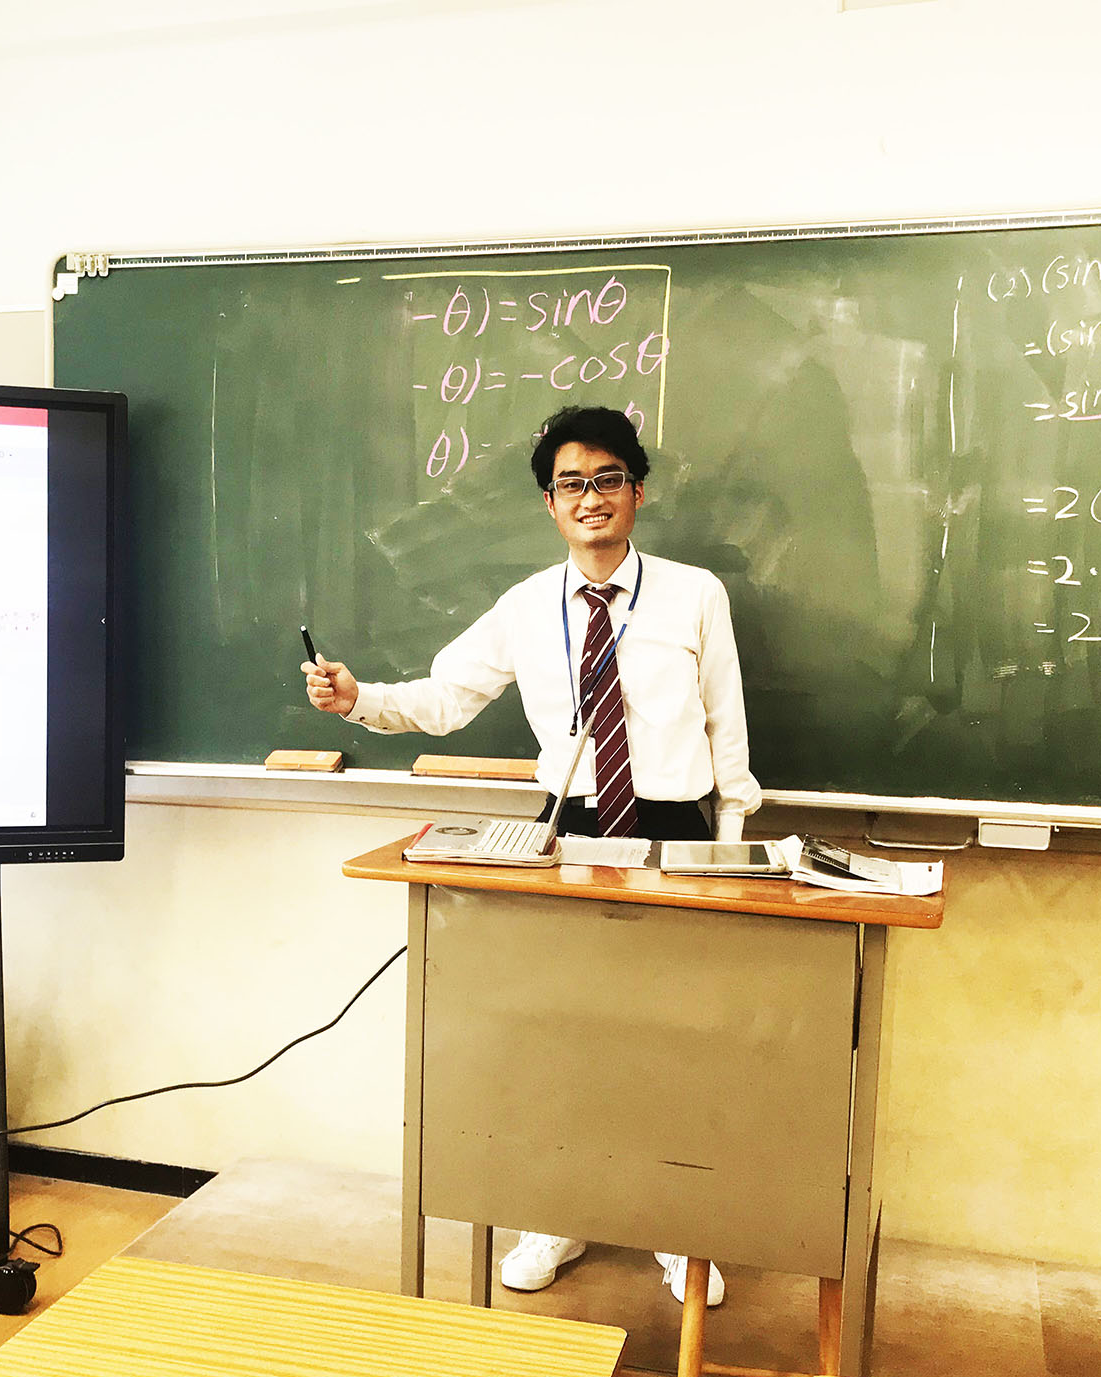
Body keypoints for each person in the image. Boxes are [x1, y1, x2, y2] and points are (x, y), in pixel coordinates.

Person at [303, 404, 762, 1306]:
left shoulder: (695, 594)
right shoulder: (525, 607)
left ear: (638, 491)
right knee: (568, 1037)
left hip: (677, 832)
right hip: (571, 834)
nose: (590, 498)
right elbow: (446, 698)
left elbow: (729, 733)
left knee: (676, 1043)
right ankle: (560, 1214)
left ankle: (679, 1231)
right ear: (549, 504)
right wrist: (359, 699)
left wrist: (729, 859)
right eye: (570, 484)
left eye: (607, 479)